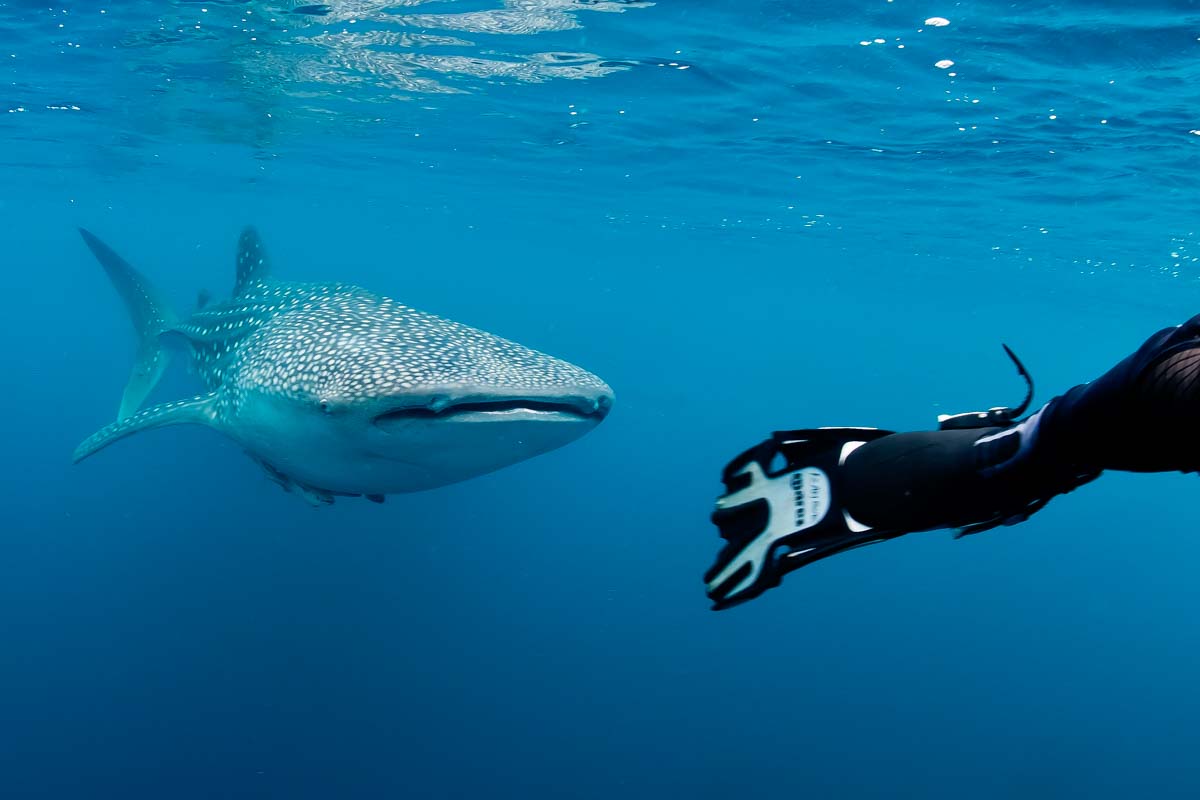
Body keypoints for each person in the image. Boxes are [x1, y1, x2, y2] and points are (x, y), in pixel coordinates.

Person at [705, 314, 1200, 610]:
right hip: (1010, 456)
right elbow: (1173, 373)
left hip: (1052, 445)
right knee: (1025, 454)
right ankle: (849, 482)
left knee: (1036, 452)